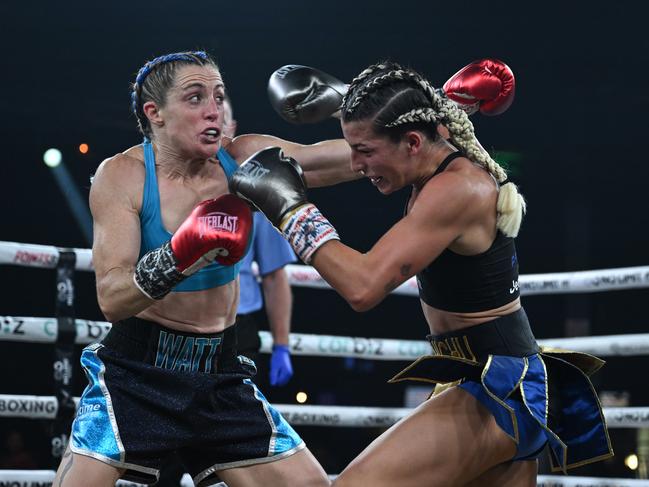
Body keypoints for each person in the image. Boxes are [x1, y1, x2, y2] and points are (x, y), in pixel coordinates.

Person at [230, 60, 614, 486]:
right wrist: (346, 101)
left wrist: (291, 211)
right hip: (486, 385)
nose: (356, 165)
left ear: (412, 141)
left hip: (496, 391)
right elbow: (277, 159)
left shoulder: (458, 189)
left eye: (364, 151)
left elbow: (363, 286)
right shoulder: (418, 151)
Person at [53, 50, 356, 487]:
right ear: (154, 113)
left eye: (218, 96)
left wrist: (426, 115)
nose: (213, 109)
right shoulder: (123, 175)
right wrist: (182, 253)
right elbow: (112, 297)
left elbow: (352, 158)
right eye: (195, 98)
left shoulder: (244, 158)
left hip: (220, 372)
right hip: (138, 374)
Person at [224, 96, 297, 386]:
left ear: (233, 127)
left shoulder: (254, 189)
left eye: (221, 119)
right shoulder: (166, 184)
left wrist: (282, 346)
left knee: (233, 426)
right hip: (174, 321)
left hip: (238, 328)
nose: (213, 124)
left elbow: (274, 276)